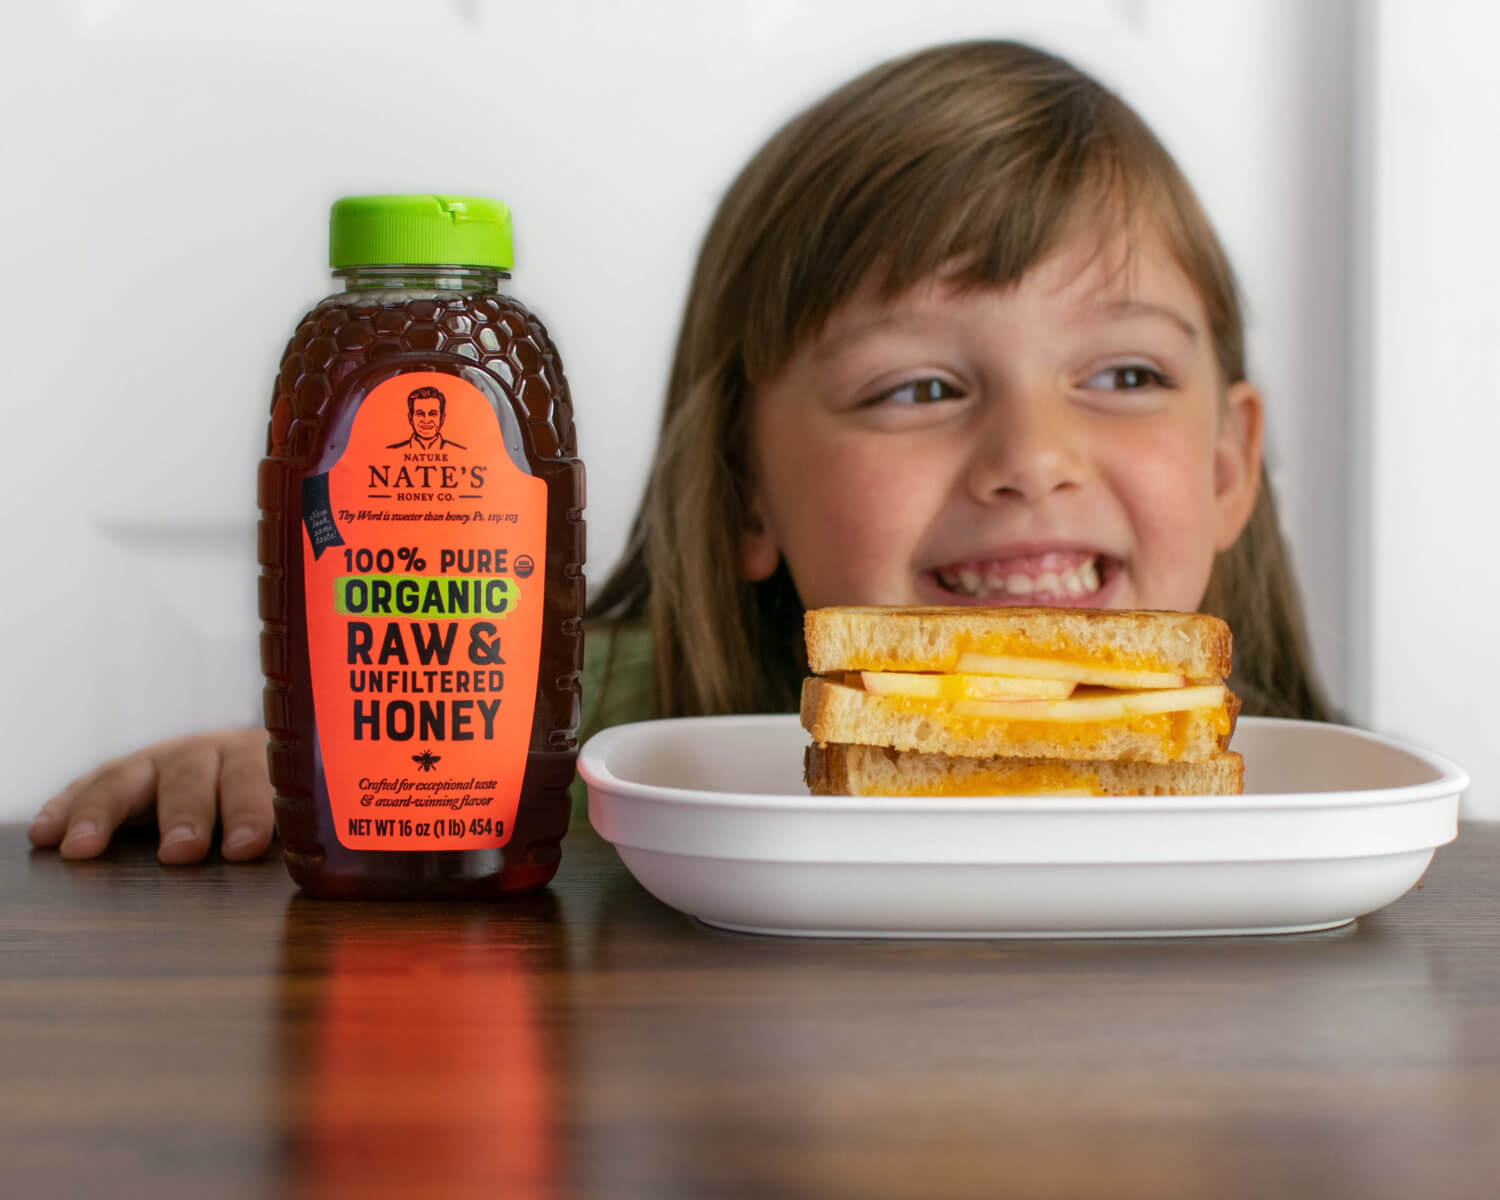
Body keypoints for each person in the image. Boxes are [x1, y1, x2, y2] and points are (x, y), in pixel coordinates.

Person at [28, 39, 1328, 866]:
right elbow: (396, 726)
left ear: (1227, 466)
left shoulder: (1316, 812)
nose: (1032, 459)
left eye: (1125, 375)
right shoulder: (579, 736)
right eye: (920, 385)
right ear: (746, 490)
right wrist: (273, 762)